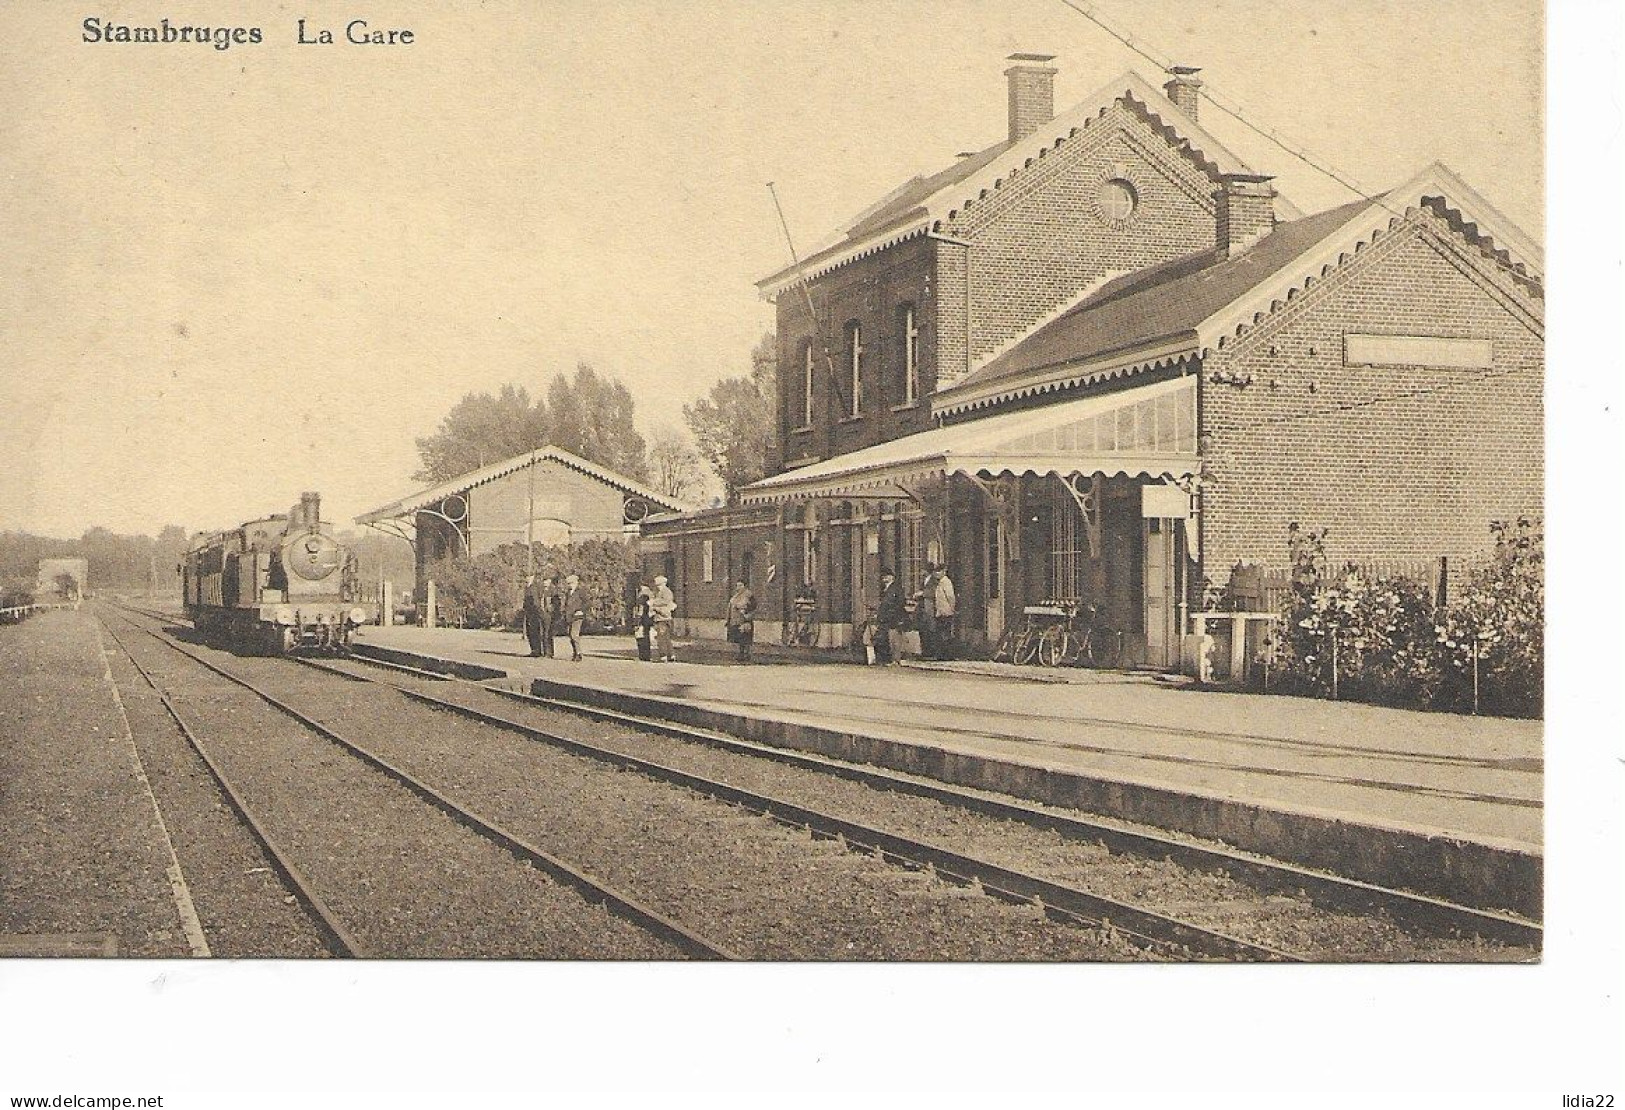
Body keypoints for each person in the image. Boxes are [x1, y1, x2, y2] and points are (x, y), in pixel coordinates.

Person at [874, 567, 904, 665]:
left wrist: (894, 615)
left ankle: (895, 659)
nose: (884, 578)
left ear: (892, 577)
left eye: (886, 576)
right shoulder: (885, 589)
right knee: (885, 638)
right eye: (883, 576)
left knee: (894, 639)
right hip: (885, 617)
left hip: (893, 617)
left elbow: (900, 603)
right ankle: (886, 659)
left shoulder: (896, 588)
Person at [931, 562, 957, 660]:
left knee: (945, 634)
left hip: (946, 612)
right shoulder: (940, 582)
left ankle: (947, 655)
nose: (936, 573)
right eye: (935, 571)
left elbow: (950, 597)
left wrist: (952, 608)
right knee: (940, 634)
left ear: (944, 572)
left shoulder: (946, 582)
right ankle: (941, 654)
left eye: (938, 571)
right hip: (940, 612)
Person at [726, 580, 757, 663]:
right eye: (737, 586)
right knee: (740, 638)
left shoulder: (748, 595)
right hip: (736, 620)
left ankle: (747, 654)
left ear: (744, 586)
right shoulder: (735, 596)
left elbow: (753, 606)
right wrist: (728, 619)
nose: (738, 588)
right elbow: (730, 606)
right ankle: (741, 653)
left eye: (740, 585)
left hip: (745, 620)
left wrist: (745, 611)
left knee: (745, 637)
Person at [562, 573, 589, 662]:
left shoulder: (581, 591)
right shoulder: (568, 592)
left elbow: (587, 603)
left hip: (577, 616)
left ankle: (579, 653)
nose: (570, 585)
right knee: (570, 635)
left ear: (576, 583)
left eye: (571, 583)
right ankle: (575, 652)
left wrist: (581, 610)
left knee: (574, 634)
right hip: (569, 616)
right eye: (569, 584)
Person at [650, 574, 677, 662]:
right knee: (666, 638)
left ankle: (664, 655)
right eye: (657, 585)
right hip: (661, 617)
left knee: (661, 637)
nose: (658, 587)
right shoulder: (659, 592)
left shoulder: (666, 592)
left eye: (659, 585)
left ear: (664, 584)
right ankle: (671, 655)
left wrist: (654, 604)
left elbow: (666, 601)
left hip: (663, 617)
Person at [521, 573, 546, 657]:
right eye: (526, 576)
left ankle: (538, 651)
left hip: (534, 612)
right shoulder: (527, 587)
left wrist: (536, 610)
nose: (527, 578)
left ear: (532, 577)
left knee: (535, 631)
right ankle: (534, 650)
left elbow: (536, 601)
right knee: (530, 632)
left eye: (529, 577)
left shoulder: (534, 587)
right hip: (528, 612)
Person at [539, 574, 561, 658]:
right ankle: (544, 652)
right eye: (544, 581)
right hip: (542, 614)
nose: (545, 582)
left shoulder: (553, 591)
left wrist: (552, 610)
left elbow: (557, 603)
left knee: (548, 633)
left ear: (550, 581)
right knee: (542, 633)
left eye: (547, 580)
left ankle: (549, 652)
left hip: (550, 615)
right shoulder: (541, 590)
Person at [633, 583, 654, 662]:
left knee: (640, 637)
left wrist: (637, 619)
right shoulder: (650, 593)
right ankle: (646, 655)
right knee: (645, 637)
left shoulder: (643, 594)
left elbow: (640, 608)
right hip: (647, 619)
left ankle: (643, 655)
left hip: (642, 619)